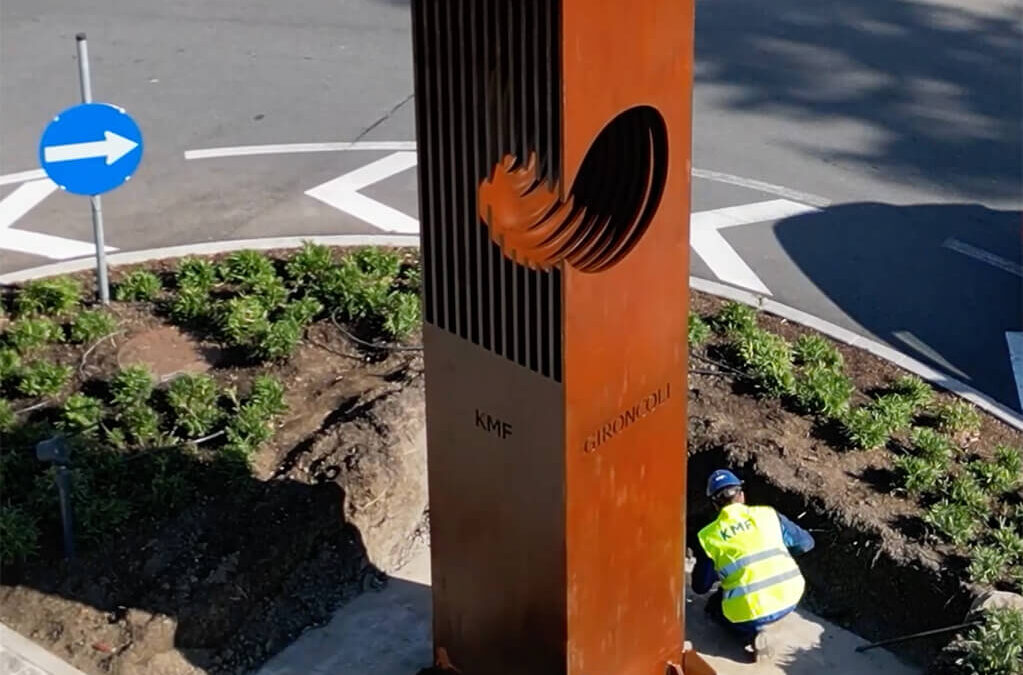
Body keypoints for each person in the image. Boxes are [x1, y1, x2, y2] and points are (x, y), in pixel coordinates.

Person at [691, 469, 815, 663]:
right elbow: (806, 543)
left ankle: (752, 635)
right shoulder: (768, 515)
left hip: (748, 611)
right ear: (741, 495)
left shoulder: (709, 536)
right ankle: (770, 622)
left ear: (715, 504)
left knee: (714, 607)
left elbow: (700, 587)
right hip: (790, 595)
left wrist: (722, 571)